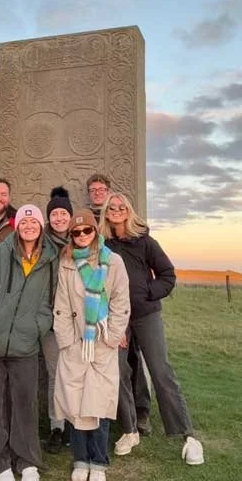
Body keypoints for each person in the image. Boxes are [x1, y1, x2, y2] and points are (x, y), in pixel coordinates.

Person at [100, 193, 204, 465]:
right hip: (117, 319)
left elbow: (168, 275)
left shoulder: (145, 241)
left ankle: (187, 435)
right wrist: (110, 320)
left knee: (160, 371)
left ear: (128, 211)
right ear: (106, 213)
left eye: (122, 207)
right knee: (118, 370)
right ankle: (129, 430)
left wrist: (147, 292)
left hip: (146, 315)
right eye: (112, 207)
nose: (117, 210)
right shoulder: (102, 245)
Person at [0, 204, 58, 481]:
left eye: (34, 222)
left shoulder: (50, 259)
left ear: (41, 226)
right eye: (24, 222)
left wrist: (37, 326)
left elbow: (51, 300)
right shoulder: (2, 253)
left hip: (25, 343)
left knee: (24, 403)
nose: (29, 227)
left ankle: (26, 460)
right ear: (17, 226)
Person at [53, 209, 130, 481]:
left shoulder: (113, 262)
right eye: (76, 232)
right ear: (71, 236)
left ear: (95, 231)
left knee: (99, 403)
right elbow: (62, 303)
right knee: (75, 403)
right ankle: (80, 459)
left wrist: (112, 337)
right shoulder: (67, 262)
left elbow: (121, 301)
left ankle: (98, 462)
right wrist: (66, 341)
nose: (82, 235)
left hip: (102, 340)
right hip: (76, 341)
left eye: (87, 230)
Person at [87, 174, 152, 435]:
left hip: (135, 306)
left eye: (102, 189)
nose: (97, 193)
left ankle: (141, 411)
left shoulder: (132, 229)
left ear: (110, 192)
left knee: (134, 358)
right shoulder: (95, 226)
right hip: (107, 306)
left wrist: (146, 293)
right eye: (93, 190)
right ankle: (117, 414)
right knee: (117, 362)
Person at [42, 186, 73, 453]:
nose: (59, 218)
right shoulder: (41, 242)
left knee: (74, 372)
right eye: (55, 214)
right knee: (55, 374)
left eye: (64, 213)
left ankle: (75, 423)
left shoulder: (82, 239)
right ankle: (57, 426)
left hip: (76, 320)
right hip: (50, 319)